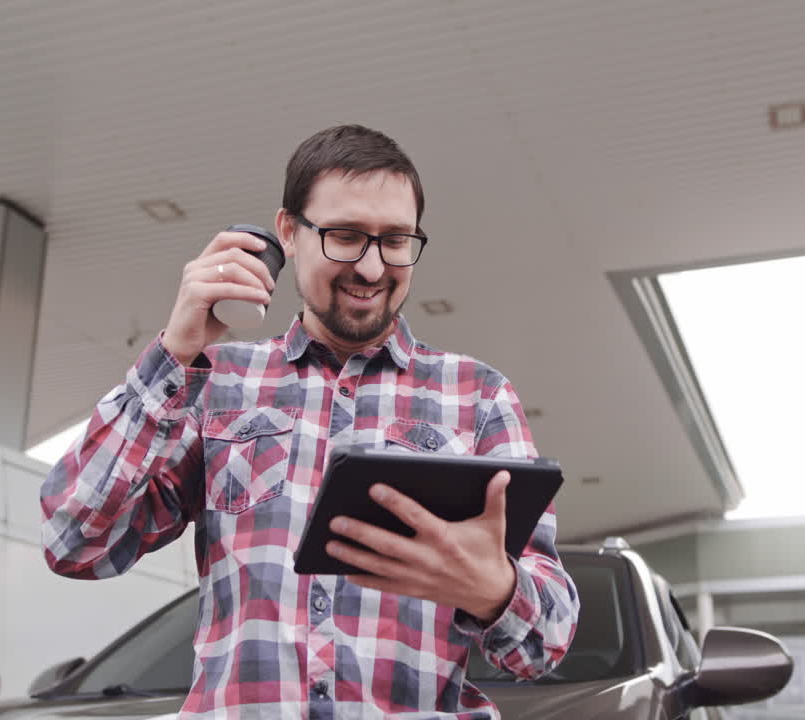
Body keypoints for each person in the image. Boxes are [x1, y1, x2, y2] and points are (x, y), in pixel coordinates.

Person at [40, 124, 579, 719]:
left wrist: (494, 590)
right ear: (289, 233)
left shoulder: (478, 396)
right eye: (346, 236)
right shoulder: (214, 381)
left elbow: (545, 644)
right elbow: (75, 541)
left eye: (396, 240)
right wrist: (174, 352)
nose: (373, 269)